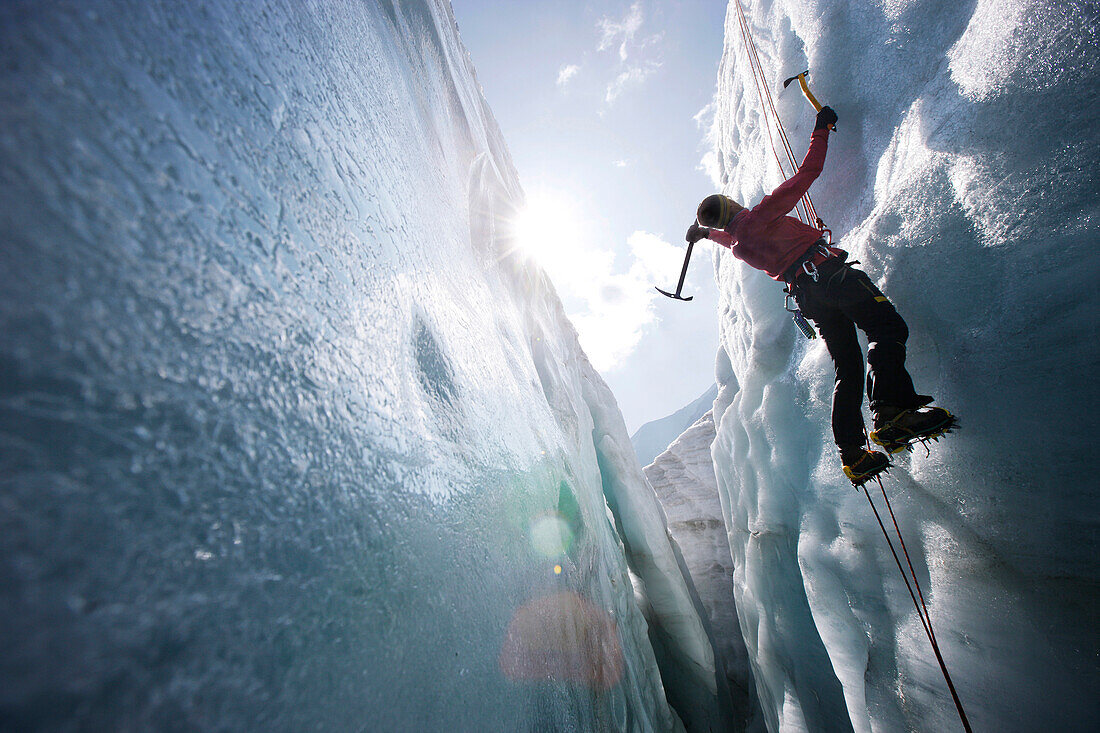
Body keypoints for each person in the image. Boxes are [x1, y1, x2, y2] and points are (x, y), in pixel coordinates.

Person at [686, 105, 954, 484]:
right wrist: (821, 127)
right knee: (886, 328)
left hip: (808, 297)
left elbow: (731, 236)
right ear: (730, 205)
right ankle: (892, 412)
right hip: (830, 275)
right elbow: (808, 173)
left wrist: (705, 234)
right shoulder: (758, 216)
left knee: (848, 367)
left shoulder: (739, 245)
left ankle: (853, 454)